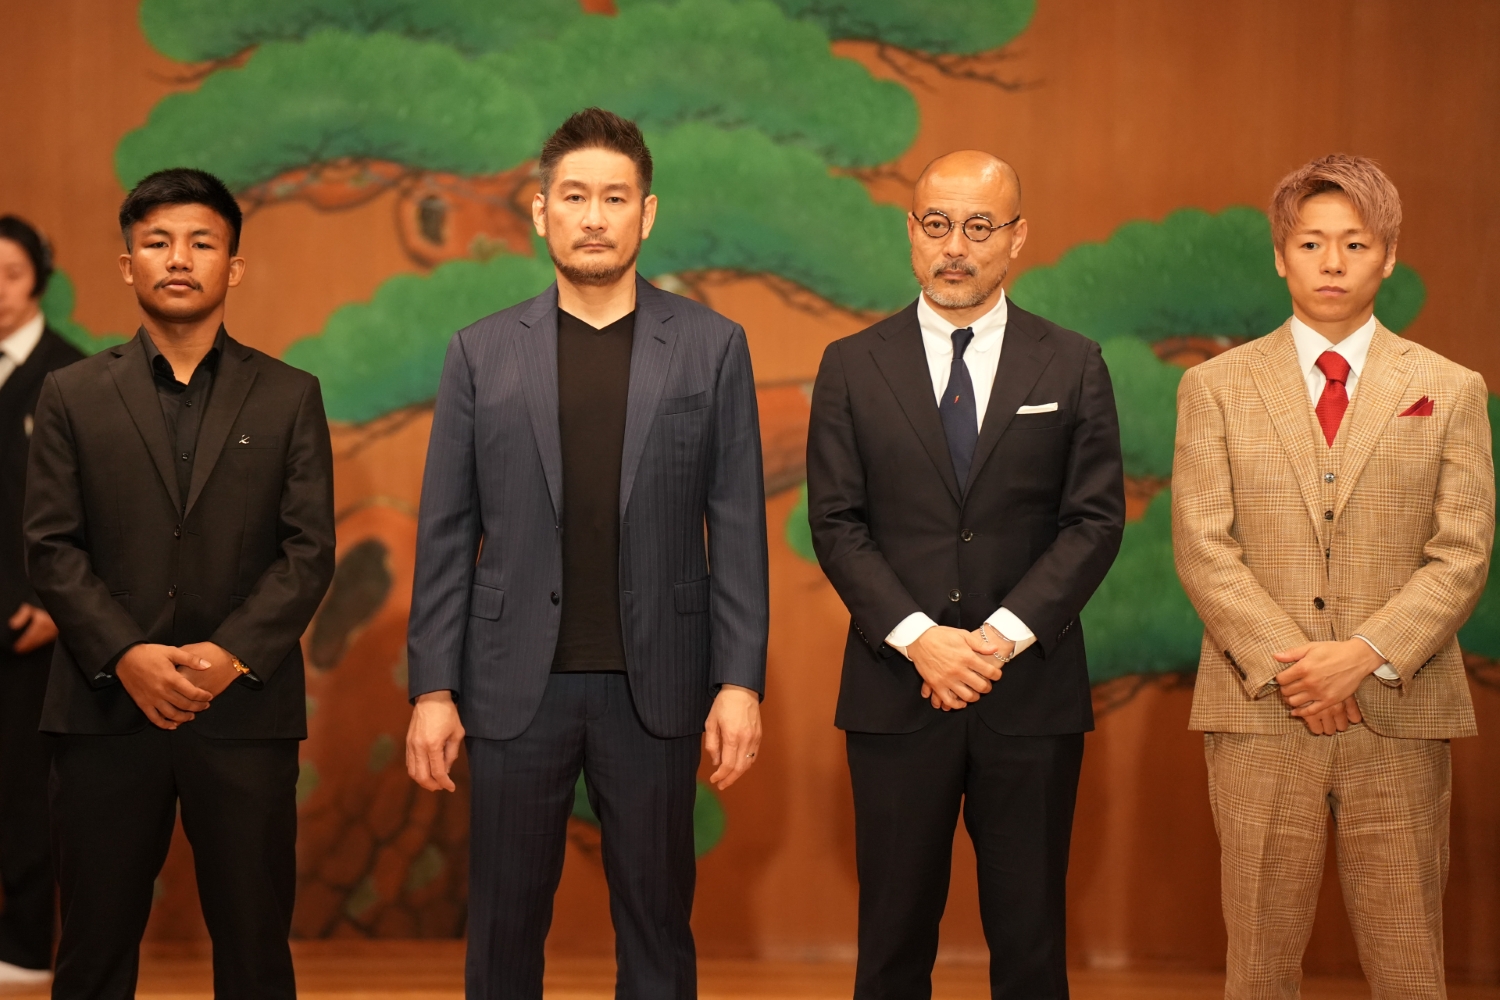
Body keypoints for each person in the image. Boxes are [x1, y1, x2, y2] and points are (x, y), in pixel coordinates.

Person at [404, 107, 768, 1000]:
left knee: (655, 922)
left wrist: (740, 680)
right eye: (575, 196)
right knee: (502, 924)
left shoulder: (713, 348)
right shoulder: (482, 353)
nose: (594, 216)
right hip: (511, 684)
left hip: (660, 683)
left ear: (647, 214)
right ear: (540, 212)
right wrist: (432, 688)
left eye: (615, 197)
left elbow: (740, 525)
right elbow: (446, 532)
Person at [1172, 154, 1493, 1000]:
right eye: (1312, 242)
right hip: (1260, 712)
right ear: (1280, 254)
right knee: (1261, 963)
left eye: (1355, 243)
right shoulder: (1214, 388)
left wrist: (1366, 654)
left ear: (1389, 255)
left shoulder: (1451, 390)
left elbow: (1462, 552)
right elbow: (1204, 546)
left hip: (1401, 706)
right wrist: (1302, 667)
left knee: (1410, 958)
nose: (1332, 261)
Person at [806, 151, 1125, 999]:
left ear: (1017, 238)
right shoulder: (850, 365)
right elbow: (836, 525)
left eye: (979, 227)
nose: (957, 246)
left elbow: (1093, 522)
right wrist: (923, 644)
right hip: (895, 692)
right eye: (938, 224)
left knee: (1029, 942)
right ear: (911, 232)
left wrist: (994, 641)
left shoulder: (1072, 362)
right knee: (892, 941)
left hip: (1030, 697)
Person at [24, 168, 336, 1000]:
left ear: (233, 266)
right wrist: (125, 654)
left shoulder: (290, 396)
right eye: (157, 242)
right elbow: (50, 546)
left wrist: (228, 656)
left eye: (202, 243)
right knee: (91, 951)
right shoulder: (71, 394)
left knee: (255, 952)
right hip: (103, 711)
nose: (179, 259)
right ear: (126, 264)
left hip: (242, 713)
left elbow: (308, 552)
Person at [0, 215, 83, 986]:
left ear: (40, 280)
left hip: (39, 626)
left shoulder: (77, 377)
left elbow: (101, 513)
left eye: (11, 275)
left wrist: (56, 606)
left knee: (29, 793)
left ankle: (25, 950)